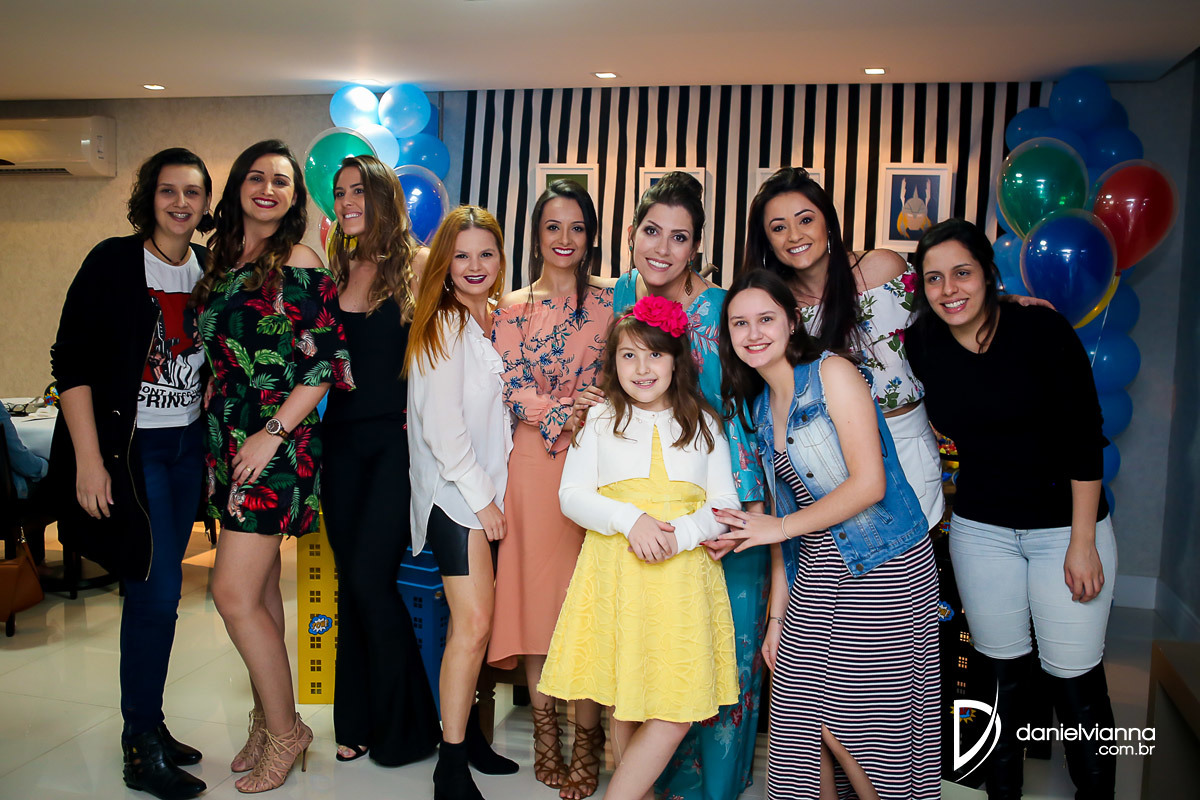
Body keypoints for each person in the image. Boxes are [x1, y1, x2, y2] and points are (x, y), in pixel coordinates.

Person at [906, 219, 1117, 799]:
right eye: (933, 278)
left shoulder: (1041, 329)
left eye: (963, 273)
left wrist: (1082, 544)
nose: (949, 289)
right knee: (998, 684)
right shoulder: (921, 343)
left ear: (989, 275)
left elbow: (1084, 438)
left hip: (1064, 529)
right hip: (982, 530)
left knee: (1074, 682)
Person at [716, 268, 940, 800]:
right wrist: (776, 619)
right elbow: (779, 528)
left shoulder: (833, 373)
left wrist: (777, 526)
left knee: (856, 733)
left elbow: (869, 484)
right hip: (814, 570)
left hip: (882, 565)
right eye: (740, 323)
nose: (753, 333)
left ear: (792, 322)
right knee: (800, 726)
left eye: (766, 318)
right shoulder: (758, 407)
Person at [50, 147, 214, 800]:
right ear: (149, 197)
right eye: (169, 190)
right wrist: (90, 460)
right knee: (155, 591)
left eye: (193, 193)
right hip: (132, 451)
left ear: (205, 204)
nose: (180, 203)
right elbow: (70, 362)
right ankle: (139, 746)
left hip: (186, 449)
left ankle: (150, 723)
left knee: (160, 597)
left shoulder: (208, 270)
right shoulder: (113, 263)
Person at [598, 172, 766, 800]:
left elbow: (750, 404)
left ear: (697, 246)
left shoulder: (725, 308)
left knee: (725, 649)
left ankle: (713, 789)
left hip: (727, 491)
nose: (662, 248)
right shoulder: (621, 294)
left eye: (679, 237)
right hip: (650, 503)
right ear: (632, 232)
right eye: (651, 231)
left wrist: (748, 505)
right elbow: (621, 379)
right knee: (655, 651)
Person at [194, 139, 353, 793]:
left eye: (281, 181)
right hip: (226, 441)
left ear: (294, 197)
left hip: (276, 447)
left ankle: (288, 731)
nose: (267, 189)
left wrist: (270, 435)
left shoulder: (301, 261)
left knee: (231, 594)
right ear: (238, 186)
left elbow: (322, 367)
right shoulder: (220, 261)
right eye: (256, 177)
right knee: (257, 594)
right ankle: (267, 719)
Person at [540, 296, 741, 800]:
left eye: (655, 354)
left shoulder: (705, 424)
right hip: (617, 571)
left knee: (675, 708)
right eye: (628, 356)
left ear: (676, 360)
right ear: (614, 364)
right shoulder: (601, 420)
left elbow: (725, 504)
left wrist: (681, 534)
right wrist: (630, 521)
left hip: (682, 577)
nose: (643, 368)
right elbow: (571, 496)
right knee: (625, 700)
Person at [487, 180, 611, 798]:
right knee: (536, 603)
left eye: (577, 227)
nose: (565, 239)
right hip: (533, 468)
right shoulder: (509, 307)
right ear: (536, 236)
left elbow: (628, 376)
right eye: (552, 227)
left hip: (599, 462)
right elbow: (511, 390)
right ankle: (544, 735)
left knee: (586, 603)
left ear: (591, 237)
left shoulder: (612, 303)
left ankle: (587, 742)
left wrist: (598, 403)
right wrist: (569, 411)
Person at [741, 167, 945, 533]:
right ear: (767, 240)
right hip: (826, 453)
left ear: (828, 223)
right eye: (778, 227)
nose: (795, 235)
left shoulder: (882, 269)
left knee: (907, 556)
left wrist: (1006, 304)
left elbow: (946, 310)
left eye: (806, 220)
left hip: (904, 437)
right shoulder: (775, 307)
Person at [321, 154, 441, 766]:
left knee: (371, 579)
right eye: (339, 192)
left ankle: (410, 727)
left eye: (358, 191)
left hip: (396, 444)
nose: (346, 201)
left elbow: (445, 355)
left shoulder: (417, 265)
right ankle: (355, 719)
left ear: (383, 197)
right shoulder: (334, 268)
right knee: (351, 583)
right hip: (337, 445)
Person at [404, 205, 519, 800]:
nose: (474, 266)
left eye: (486, 254)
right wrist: (484, 500)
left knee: (473, 627)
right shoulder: (445, 324)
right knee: (472, 628)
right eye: (462, 255)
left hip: (483, 497)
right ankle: (450, 764)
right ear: (444, 263)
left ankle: (469, 738)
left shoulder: (488, 321)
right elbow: (441, 427)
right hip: (457, 500)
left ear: (500, 259)